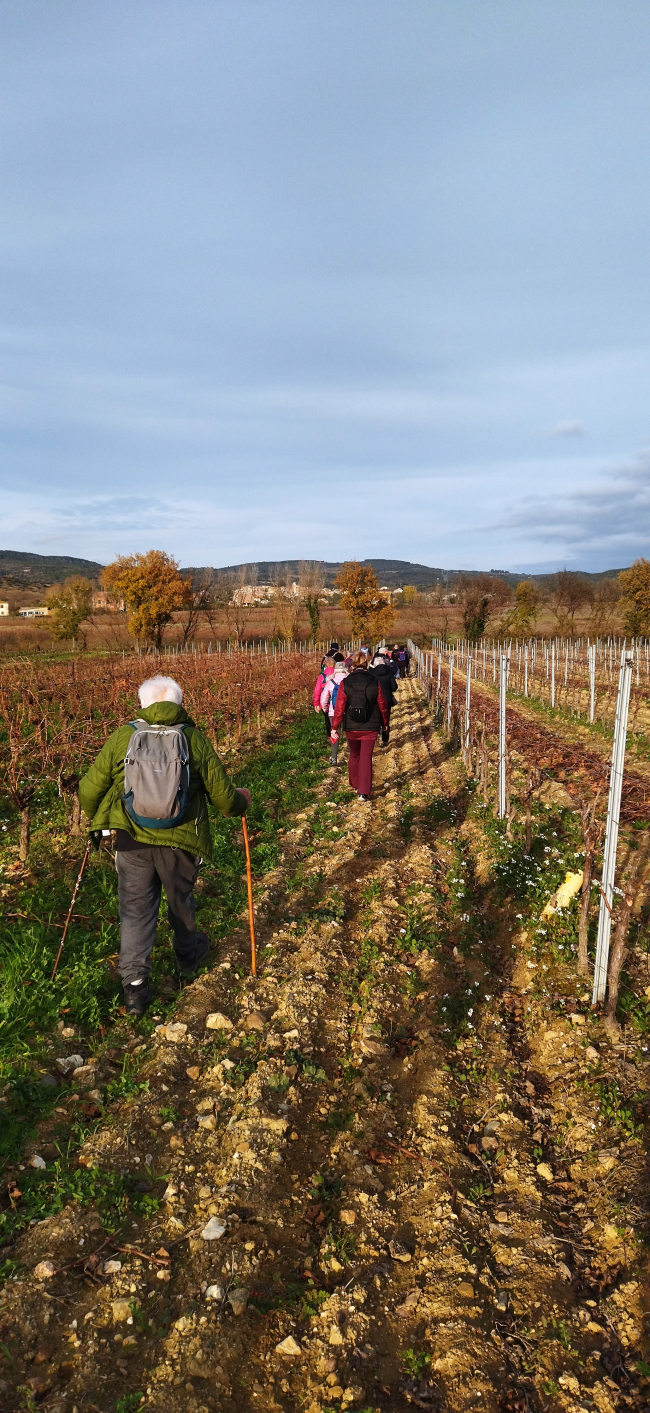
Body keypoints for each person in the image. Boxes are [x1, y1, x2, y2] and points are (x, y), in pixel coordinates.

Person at [78, 675, 250, 1018]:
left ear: (143, 704)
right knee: (180, 900)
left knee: (136, 909)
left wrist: (98, 816)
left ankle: (136, 989)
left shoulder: (124, 736)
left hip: (130, 840)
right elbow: (224, 801)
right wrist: (242, 801)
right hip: (181, 842)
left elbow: (88, 791)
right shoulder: (193, 738)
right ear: (178, 702)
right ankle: (188, 957)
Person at [331, 650, 389, 800]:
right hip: (370, 725)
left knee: (354, 754)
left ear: (353, 664)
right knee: (366, 756)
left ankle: (355, 783)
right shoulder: (374, 681)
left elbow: (339, 707)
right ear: (366, 664)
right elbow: (382, 704)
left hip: (352, 724)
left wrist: (335, 726)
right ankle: (363, 792)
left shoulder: (346, 682)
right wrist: (385, 723)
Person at [320, 660, 348, 766]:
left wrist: (326, 709)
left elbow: (323, 699)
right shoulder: (348, 681)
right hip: (346, 711)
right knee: (348, 733)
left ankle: (334, 758)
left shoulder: (330, 682)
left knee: (335, 734)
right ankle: (352, 756)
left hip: (333, 712)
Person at [370, 651, 399, 733]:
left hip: (375, 698)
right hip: (387, 698)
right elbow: (394, 687)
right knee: (386, 718)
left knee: (375, 716)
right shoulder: (389, 673)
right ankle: (385, 738)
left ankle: (377, 732)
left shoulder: (371, 673)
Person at [313, 655, 336, 740]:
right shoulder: (337, 674)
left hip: (325, 702)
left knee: (327, 719)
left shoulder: (322, 676)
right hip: (336, 702)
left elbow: (317, 690)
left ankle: (330, 735)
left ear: (325, 665)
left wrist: (316, 703)